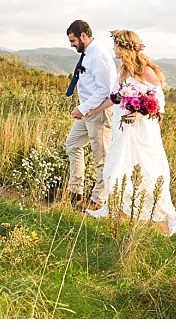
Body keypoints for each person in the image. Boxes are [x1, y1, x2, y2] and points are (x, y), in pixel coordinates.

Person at [83, 30, 176, 236]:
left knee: (149, 172)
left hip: (142, 130)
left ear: (125, 48)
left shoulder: (147, 72)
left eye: (116, 45)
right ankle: (110, 208)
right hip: (122, 128)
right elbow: (114, 98)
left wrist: (139, 114)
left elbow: (158, 104)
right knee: (115, 166)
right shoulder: (123, 71)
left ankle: (172, 216)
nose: (113, 49)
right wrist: (92, 110)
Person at [62, 20, 116, 210]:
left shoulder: (99, 56)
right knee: (72, 144)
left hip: (99, 112)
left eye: (73, 40)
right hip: (87, 112)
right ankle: (75, 191)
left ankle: (97, 201)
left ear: (83, 36)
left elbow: (105, 91)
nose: (72, 45)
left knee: (101, 158)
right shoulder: (87, 54)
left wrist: (83, 108)